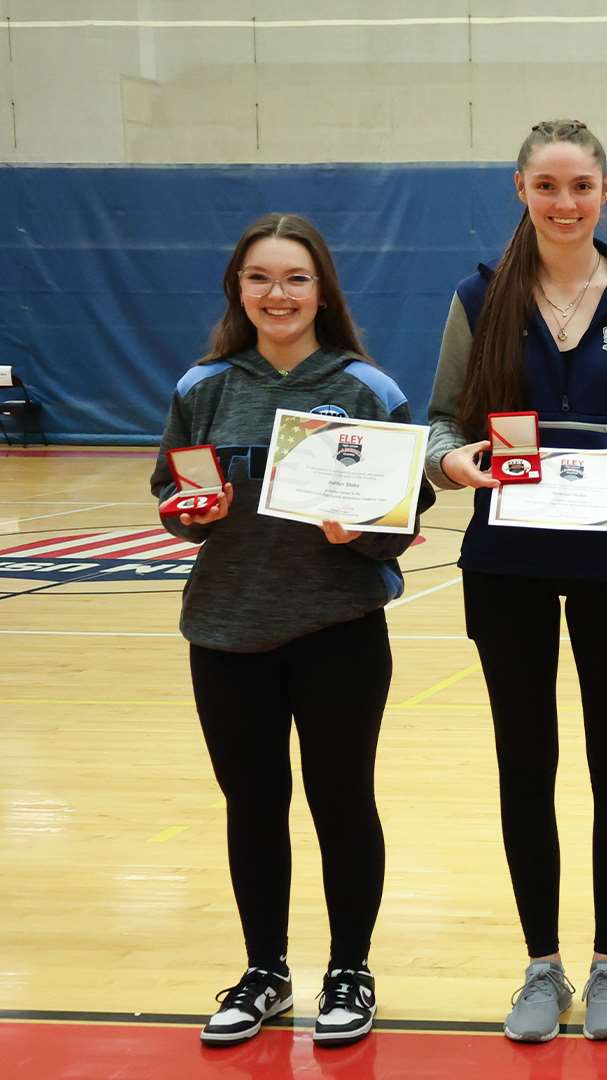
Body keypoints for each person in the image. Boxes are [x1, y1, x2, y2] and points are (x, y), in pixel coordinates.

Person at [423, 118, 607, 1043]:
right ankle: (541, 963)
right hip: (509, 565)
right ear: (521, 190)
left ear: (606, 190)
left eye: (582, 186)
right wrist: (453, 466)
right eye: (548, 187)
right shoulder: (480, 296)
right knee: (524, 762)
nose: (566, 203)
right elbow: (437, 425)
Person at [154, 212, 433, 1048]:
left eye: (295, 279)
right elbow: (173, 496)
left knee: (342, 800)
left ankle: (351, 969)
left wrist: (366, 531)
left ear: (322, 293)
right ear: (239, 290)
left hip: (337, 627)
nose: (278, 295)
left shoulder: (364, 390)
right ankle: (265, 971)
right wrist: (188, 515)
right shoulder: (201, 388)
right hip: (225, 631)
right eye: (261, 279)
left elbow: (406, 508)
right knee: (253, 805)